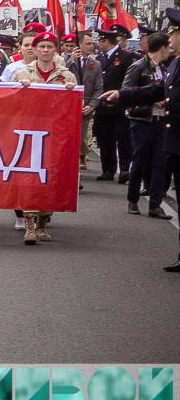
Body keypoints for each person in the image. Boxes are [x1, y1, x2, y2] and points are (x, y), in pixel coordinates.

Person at [99, 7, 180, 272]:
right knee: (143, 161)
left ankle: (154, 203)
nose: (170, 38)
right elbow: (157, 89)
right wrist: (121, 95)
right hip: (160, 130)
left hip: (171, 132)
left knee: (156, 166)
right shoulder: (176, 63)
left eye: (174, 32)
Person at [13, 31, 79, 245]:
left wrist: (71, 93)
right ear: (34, 49)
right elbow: (9, 103)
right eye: (41, 46)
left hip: (55, 134)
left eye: (49, 46)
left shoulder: (67, 76)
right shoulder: (23, 74)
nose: (45, 50)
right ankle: (30, 225)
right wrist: (19, 90)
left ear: (55, 50)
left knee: (50, 177)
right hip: (29, 133)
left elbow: (73, 108)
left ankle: (43, 222)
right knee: (29, 178)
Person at [121, 31, 173, 219]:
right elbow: (127, 91)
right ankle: (132, 199)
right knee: (140, 161)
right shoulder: (138, 66)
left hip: (161, 121)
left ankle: (155, 205)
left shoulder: (166, 68)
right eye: (168, 48)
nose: (170, 51)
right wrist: (151, 102)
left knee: (160, 164)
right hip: (142, 120)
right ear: (162, 48)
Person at [93, 23, 136, 183]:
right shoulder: (99, 59)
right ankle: (108, 170)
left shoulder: (126, 57)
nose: (99, 44)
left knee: (123, 140)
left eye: (100, 41)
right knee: (105, 139)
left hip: (120, 105)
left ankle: (125, 170)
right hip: (103, 106)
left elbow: (131, 81)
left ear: (106, 41)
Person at [66, 31, 103, 171]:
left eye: (92, 43)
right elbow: (60, 74)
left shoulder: (96, 64)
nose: (91, 46)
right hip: (68, 108)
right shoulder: (66, 60)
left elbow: (99, 88)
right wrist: (71, 61)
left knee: (80, 139)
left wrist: (92, 105)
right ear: (79, 45)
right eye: (88, 43)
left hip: (85, 108)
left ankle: (77, 165)